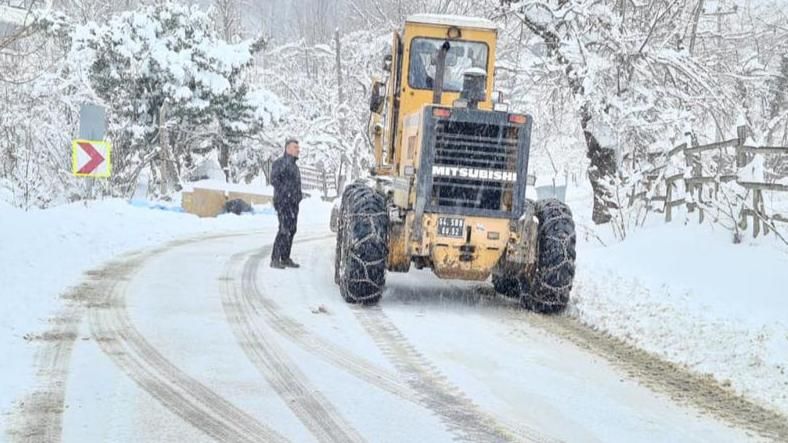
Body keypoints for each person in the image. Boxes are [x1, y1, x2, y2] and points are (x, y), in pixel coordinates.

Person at [270, 138, 302, 269]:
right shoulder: (280, 163)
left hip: (293, 204)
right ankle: (275, 259)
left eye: (298, 148)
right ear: (288, 148)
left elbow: (297, 185)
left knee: (292, 230)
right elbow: (274, 180)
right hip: (283, 202)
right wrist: (286, 193)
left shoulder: (295, 167)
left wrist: (298, 196)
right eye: (295, 147)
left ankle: (285, 257)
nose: (298, 150)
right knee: (283, 229)